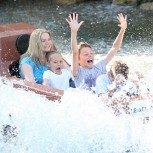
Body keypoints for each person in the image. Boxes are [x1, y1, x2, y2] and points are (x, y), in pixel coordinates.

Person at [66, 13, 127, 90]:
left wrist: (123, 30)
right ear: (78, 59)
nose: (90, 55)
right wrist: (74, 32)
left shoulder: (100, 66)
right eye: (86, 54)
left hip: (105, 97)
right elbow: (74, 52)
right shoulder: (77, 72)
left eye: (91, 53)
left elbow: (115, 48)